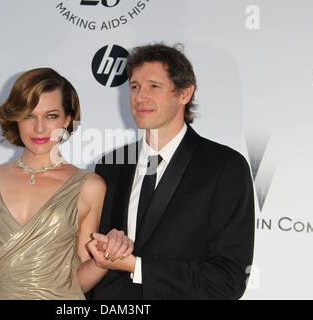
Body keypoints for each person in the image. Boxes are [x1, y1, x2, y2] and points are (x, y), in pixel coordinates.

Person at [88, 43, 255, 299]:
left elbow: (227, 279)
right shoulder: (112, 165)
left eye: (154, 86)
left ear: (185, 93)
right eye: (134, 87)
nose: (140, 97)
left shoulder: (224, 167)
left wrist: (138, 267)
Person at [0, 67, 133, 299]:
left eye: (51, 116)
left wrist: (104, 259)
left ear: (67, 119)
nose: (39, 128)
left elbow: (77, 282)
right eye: (29, 115)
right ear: (16, 117)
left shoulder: (89, 187)